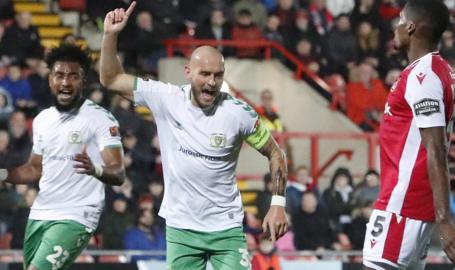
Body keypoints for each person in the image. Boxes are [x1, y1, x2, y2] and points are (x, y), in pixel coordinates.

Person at [99, 2, 289, 270]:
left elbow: (275, 153)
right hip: (181, 229)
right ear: (188, 73)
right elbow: (111, 79)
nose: (212, 82)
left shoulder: (238, 114)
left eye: (218, 76)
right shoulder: (166, 98)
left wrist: (278, 204)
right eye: (205, 74)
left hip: (226, 229)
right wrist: (110, 35)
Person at [362, 1, 455, 269]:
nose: (395, 27)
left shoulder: (425, 75)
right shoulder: (438, 70)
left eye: (399, 20)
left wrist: (444, 220)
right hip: (411, 205)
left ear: (411, 27)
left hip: (402, 204)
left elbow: (435, 149)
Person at [0, 44, 126, 270]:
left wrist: (95, 170)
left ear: (83, 81)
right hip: (41, 211)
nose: (66, 82)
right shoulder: (42, 120)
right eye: (59, 75)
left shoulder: (100, 119)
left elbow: (118, 173)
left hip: (77, 214)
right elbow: (34, 169)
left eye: (73, 76)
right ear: (50, 79)